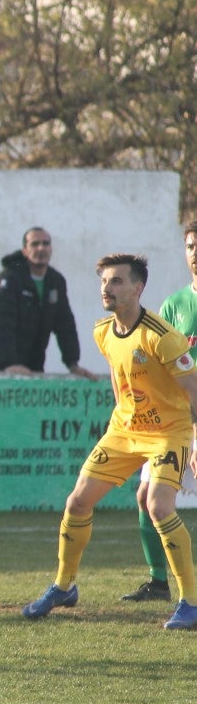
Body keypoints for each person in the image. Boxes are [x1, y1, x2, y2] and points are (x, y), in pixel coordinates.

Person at [22, 254, 197, 630]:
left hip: (168, 432)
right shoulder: (102, 331)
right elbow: (122, 381)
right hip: (124, 431)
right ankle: (64, 586)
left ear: (138, 287)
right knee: (78, 501)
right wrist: (123, 421)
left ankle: (191, 602)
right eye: (104, 281)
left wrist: (195, 442)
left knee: (159, 507)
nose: (107, 288)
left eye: (117, 281)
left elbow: (193, 393)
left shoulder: (162, 336)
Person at [122, 221, 197, 603]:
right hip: (175, 419)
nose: (195, 253)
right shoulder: (174, 305)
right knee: (146, 496)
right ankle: (158, 581)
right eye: (190, 246)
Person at [0, 227, 95, 377]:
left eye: (46, 243)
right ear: (25, 251)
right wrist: (9, 363)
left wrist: (73, 364)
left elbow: (65, 326)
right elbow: (1, 324)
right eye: (35, 244)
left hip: (29, 369)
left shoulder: (55, 282)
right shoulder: (9, 279)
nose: (41, 248)